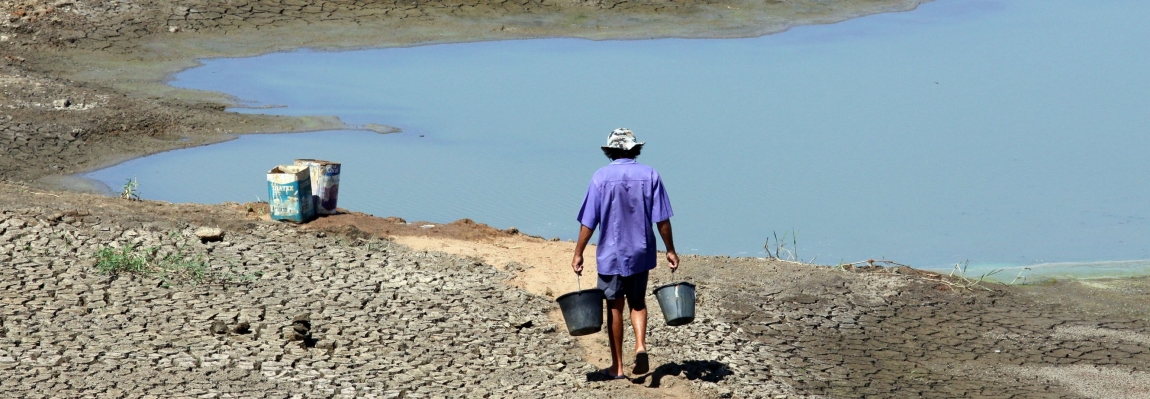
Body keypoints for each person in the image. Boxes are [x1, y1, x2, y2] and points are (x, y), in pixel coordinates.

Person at [571, 128, 679, 379]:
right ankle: (640, 345)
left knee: (615, 307)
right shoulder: (650, 174)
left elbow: (589, 221)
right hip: (642, 251)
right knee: (638, 302)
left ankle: (617, 367)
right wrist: (670, 250)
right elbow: (662, 220)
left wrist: (579, 252)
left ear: (610, 151)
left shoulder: (600, 178)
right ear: (634, 149)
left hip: (611, 253)